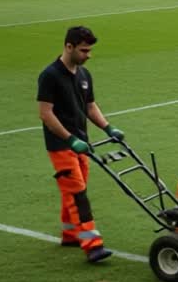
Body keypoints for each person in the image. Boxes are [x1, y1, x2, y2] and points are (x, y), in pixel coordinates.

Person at [36, 26, 118, 264]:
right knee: (77, 194)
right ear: (68, 46)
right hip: (61, 145)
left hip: (83, 143)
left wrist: (108, 128)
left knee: (73, 192)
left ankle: (71, 233)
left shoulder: (84, 75)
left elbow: (90, 107)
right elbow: (45, 113)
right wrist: (70, 139)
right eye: (84, 50)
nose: (88, 55)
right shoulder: (50, 75)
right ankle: (92, 245)